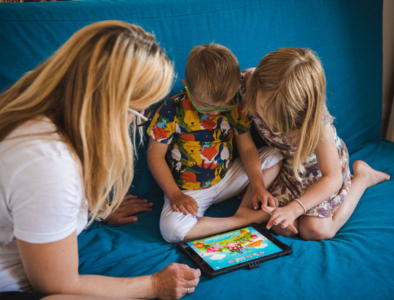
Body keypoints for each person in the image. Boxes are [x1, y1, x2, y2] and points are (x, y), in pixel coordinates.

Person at [0, 21, 200, 299]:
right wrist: (155, 285)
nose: (136, 121)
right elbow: (56, 286)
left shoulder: (34, 110)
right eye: (138, 113)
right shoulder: (47, 163)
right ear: (108, 104)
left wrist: (94, 210)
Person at [241, 47, 390, 240]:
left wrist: (296, 207)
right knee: (282, 226)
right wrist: (259, 185)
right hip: (290, 166)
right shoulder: (249, 83)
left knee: (317, 230)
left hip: (322, 171)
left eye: (279, 118)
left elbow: (332, 178)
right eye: (264, 108)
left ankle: (363, 178)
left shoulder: (318, 120)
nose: (268, 121)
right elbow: (245, 143)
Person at [146, 43, 286, 244]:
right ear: (187, 86)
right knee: (172, 230)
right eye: (205, 105)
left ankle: (245, 208)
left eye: (222, 105)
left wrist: (257, 185)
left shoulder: (235, 103)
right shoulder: (170, 111)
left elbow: (246, 148)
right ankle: (243, 220)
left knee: (275, 154)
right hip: (188, 190)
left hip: (227, 178)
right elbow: (155, 157)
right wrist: (174, 194)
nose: (215, 112)